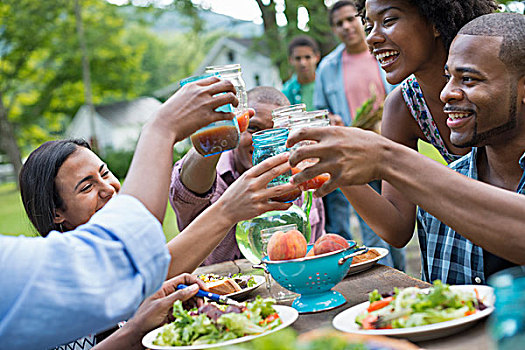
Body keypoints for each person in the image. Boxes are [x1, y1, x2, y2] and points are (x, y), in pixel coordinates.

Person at [1, 77, 297, 348]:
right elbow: (125, 258)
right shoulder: (61, 284)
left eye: (105, 173)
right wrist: (161, 128)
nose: (108, 189)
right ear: (55, 213)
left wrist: (136, 328)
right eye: (86, 187)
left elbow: (136, 266)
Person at [288, 12, 525, 285]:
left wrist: (388, 159)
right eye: (447, 78)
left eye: (469, 80)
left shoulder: (437, 193)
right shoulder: (436, 208)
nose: (446, 93)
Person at [170, 86, 326, 265]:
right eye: (254, 128)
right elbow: (187, 187)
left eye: (280, 131)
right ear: (238, 125)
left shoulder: (303, 176)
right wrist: (218, 129)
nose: (268, 143)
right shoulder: (208, 176)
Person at [314, 0, 403, 270]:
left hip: (389, 146)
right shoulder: (328, 67)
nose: (346, 27)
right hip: (353, 151)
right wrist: (331, 120)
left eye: (351, 19)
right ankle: (387, 284)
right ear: (334, 30)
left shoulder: (384, 51)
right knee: (372, 225)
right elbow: (321, 112)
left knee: (399, 221)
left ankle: (401, 278)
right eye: (339, 23)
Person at [282, 35, 321, 110]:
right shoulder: (286, 92)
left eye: (307, 57)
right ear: (290, 60)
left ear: (317, 57)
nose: (303, 63)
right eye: (298, 58)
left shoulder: (328, 85)